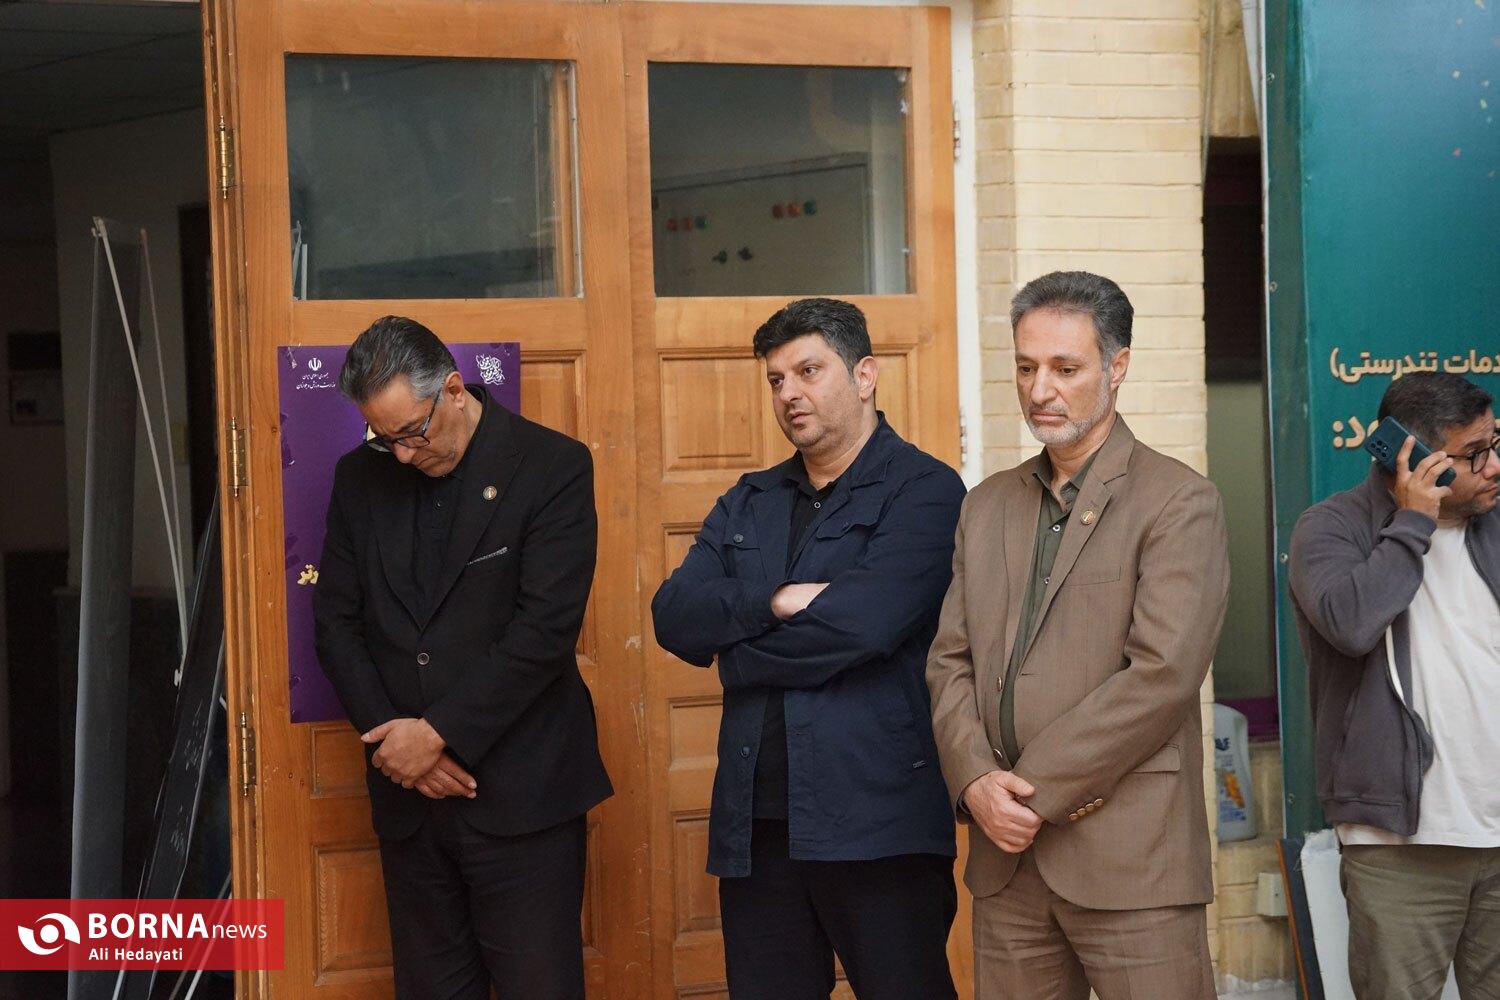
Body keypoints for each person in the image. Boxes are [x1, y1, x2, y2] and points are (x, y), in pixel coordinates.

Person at [926, 271, 1229, 999]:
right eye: (1026, 367)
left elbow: (1161, 675)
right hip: (1006, 865)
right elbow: (949, 661)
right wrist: (974, 783)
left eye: (1065, 368)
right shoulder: (985, 506)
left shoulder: (1178, 500)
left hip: (1132, 859)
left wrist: (1030, 794)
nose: (1040, 389)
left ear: (1117, 367)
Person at [652, 298, 966, 1000]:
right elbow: (674, 616)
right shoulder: (749, 500)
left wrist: (738, 654)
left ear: (865, 375)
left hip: (879, 821)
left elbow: (864, 626)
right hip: (758, 826)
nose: (789, 392)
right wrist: (772, 601)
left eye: (809, 371)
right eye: (776, 379)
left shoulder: (926, 491)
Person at [313, 315, 611, 1000]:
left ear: (452, 389)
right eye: (385, 439)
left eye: (411, 433)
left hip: (523, 794)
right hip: (409, 803)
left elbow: (543, 631)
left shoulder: (551, 466)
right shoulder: (360, 478)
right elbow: (336, 623)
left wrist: (439, 734)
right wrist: (399, 746)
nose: (403, 456)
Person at [1289, 371, 1500, 1000]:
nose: (1493, 465)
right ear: (1414, 457)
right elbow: (1352, 624)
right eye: (1474, 453)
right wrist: (1413, 522)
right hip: (1401, 844)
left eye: (1494, 443)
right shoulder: (1330, 529)